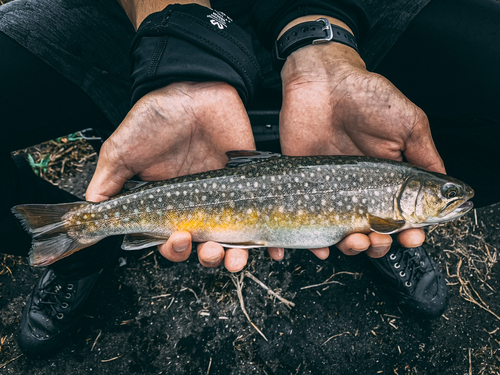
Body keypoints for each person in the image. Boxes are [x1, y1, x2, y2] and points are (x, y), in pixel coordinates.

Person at [1, 0, 499, 359]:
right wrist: (178, 53)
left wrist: (322, 34)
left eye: (446, 195)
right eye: (444, 195)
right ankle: (86, 248)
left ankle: (384, 243)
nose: (455, 197)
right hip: (140, 16)